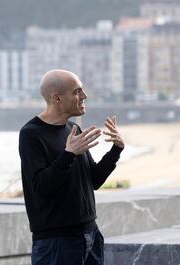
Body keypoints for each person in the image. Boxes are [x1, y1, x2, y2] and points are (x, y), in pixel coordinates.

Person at [19, 69, 124, 265]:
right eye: (77, 91)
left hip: (91, 234)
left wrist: (116, 150)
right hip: (56, 242)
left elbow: (94, 180)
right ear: (57, 98)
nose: (84, 96)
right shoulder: (31, 134)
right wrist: (68, 155)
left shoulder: (73, 130)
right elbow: (39, 188)